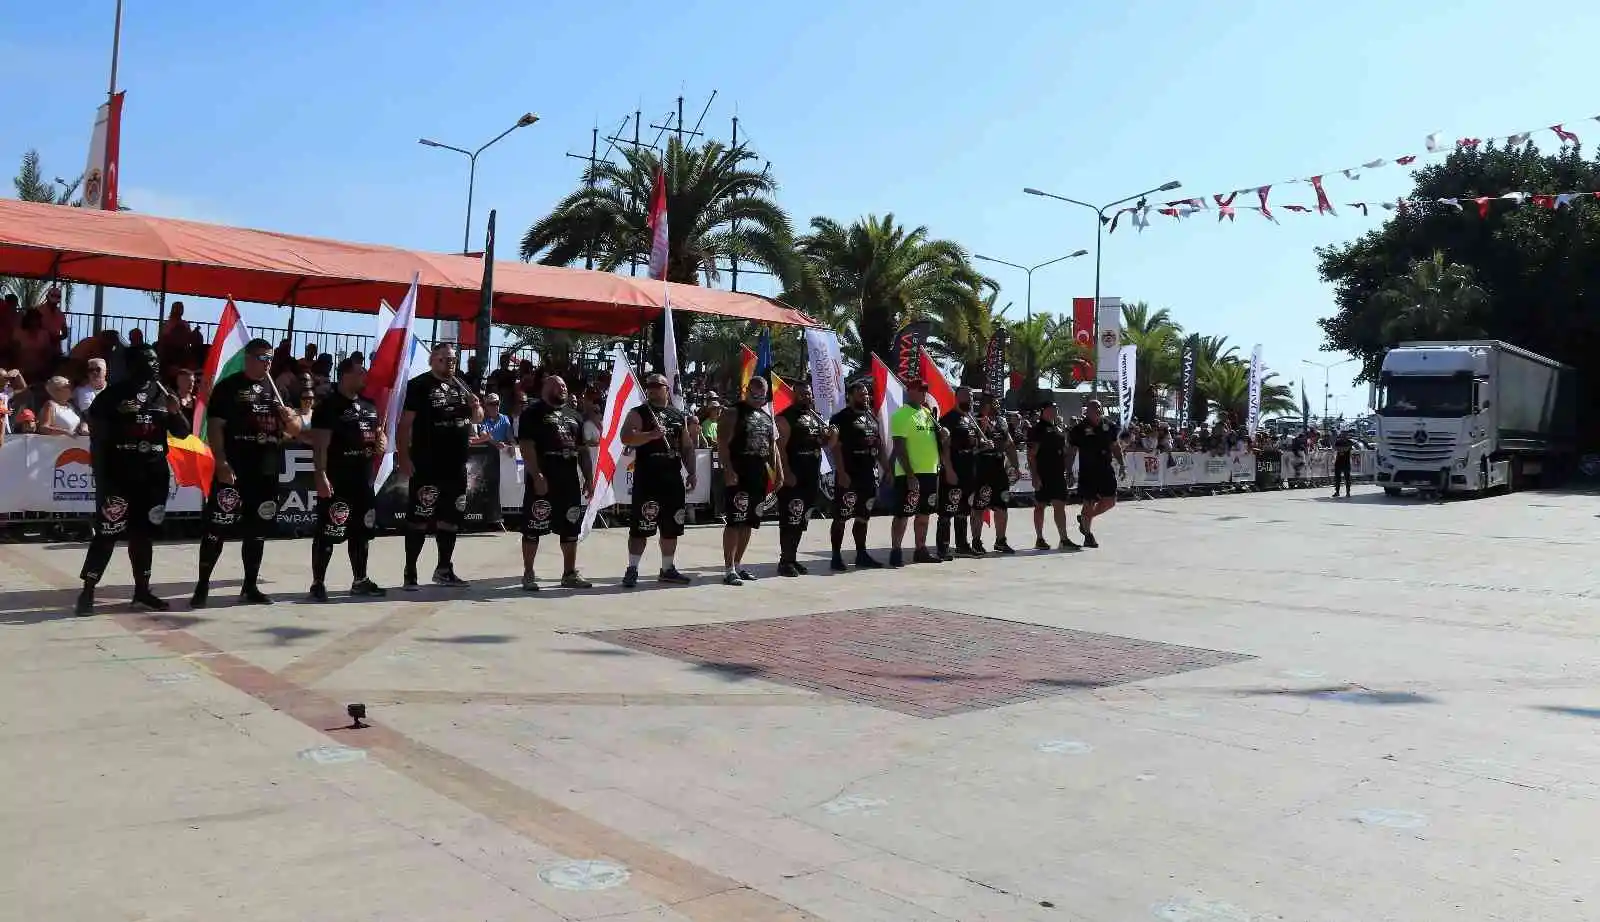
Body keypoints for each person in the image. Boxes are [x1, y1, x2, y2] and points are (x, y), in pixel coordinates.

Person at [74, 345, 190, 615]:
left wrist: (175, 411)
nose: (155, 364)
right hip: (119, 477)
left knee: (143, 535)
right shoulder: (111, 395)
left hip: (153, 477)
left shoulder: (164, 394)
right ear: (133, 363)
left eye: (157, 359)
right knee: (107, 533)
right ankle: (88, 591)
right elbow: (96, 432)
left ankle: (142, 591)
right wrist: (104, 476)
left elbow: (183, 432)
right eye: (149, 359)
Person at [191, 338, 300, 607]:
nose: (267, 363)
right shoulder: (228, 387)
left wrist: (291, 418)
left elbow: (295, 430)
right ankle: (202, 585)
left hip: (266, 470)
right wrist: (221, 462)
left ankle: (250, 586)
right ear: (248, 358)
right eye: (263, 358)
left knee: (257, 530)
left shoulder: (277, 390)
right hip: (235, 468)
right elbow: (215, 426)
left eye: (270, 359)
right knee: (217, 526)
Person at [396, 343, 483, 590]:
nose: (450, 363)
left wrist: (476, 406)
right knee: (419, 518)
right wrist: (404, 456)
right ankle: (410, 570)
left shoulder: (462, 384)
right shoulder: (419, 386)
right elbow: (404, 426)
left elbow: (478, 419)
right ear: (433, 360)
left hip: (456, 464)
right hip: (427, 463)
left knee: (451, 518)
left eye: (453, 359)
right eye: (445, 359)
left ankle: (444, 569)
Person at [305, 356, 386, 601]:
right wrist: (320, 475)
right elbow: (319, 446)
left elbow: (375, 440)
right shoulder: (327, 406)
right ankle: (318, 583)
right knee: (328, 531)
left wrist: (380, 444)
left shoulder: (370, 405)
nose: (365, 377)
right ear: (345, 375)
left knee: (362, 533)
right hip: (337, 480)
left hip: (363, 480)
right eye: (360, 372)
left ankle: (360, 580)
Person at [516, 375, 595, 591]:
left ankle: (569, 573)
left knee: (570, 528)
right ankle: (529, 573)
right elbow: (526, 445)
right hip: (543, 478)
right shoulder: (532, 413)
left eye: (565, 385)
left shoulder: (574, 416)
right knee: (533, 527)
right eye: (558, 385)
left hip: (568, 479)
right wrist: (536, 474)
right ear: (545, 387)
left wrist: (589, 478)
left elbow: (583, 451)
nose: (563, 388)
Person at [619, 373, 696, 587]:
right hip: (648, 478)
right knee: (640, 527)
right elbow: (626, 436)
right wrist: (650, 435)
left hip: (672, 478)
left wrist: (692, 471)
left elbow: (687, 446)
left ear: (666, 389)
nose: (652, 389)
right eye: (649, 386)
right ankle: (632, 569)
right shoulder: (639, 413)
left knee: (672, 527)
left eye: (656, 386)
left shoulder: (677, 415)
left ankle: (667, 568)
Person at [717, 376, 781, 585]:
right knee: (735, 521)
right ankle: (729, 569)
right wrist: (727, 470)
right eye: (755, 394)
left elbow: (773, 447)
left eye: (762, 395)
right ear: (747, 391)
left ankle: (739, 564)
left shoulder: (766, 416)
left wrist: (778, 472)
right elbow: (723, 444)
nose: (758, 398)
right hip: (738, 473)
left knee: (750, 522)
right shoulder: (733, 412)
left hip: (759, 475)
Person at [828, 379, 886, 571]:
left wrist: (887, 469)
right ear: (850, 397)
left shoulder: (872, 418)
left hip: (868, 476)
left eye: (867, 394)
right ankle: (836, 556)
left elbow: (879, 447)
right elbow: (835, 448)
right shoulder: (840, 418)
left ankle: (861, 553)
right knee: (841, 517)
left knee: (863, 517)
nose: (866, 397)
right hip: (848, 476)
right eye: (861, 395)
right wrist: (842, 473)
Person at [774, 379, 827, 577]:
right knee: (790, 519)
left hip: (811, 476)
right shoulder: (786, 418)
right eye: (802, 393)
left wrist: (831, 435)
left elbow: (823, 442)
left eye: (809, 393)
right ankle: (784, 561)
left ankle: (793, 558)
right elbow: (780, 447)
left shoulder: (815, 416)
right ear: (794, 395)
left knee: (801, 520)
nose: (807, 396)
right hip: (793, 477)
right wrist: (786, 472)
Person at [889, 378, 941, 567]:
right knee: (903, 514)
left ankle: (921, 549)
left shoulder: (927, 412)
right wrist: (910, 475)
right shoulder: (902, 415)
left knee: (925, 514)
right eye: (920, 390)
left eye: (925, 390)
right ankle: (896, 551)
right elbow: (899, 448)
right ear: (910, 391)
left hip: (929, 471)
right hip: (909, 473)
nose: (924, 393)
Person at [1064, 399, 1125, 549]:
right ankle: (1088, 535)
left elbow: (1115, 446)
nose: (1098, 409)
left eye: (1099, 407)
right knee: (1088, 503)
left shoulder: (1109, 426)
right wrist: (1069, 471)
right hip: (1088, 472)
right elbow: (1071, 452)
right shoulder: (1078, 429)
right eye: (1094, 407)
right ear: (1087, 411)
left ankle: (1085, 518)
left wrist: (1122, 464)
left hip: (1105, 469)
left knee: (1110, 501)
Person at [969, 393, 1019, 555]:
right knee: (979, 506)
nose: (997, 404)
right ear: (985, 404)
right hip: (982, 467)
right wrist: (981, 434)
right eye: (994, 402)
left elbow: (1009, 444)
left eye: (997, 402)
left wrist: (1015, 466)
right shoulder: (974, 420)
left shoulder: (1001, 421)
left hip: (999, 468)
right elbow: (971, 446)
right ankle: (976, 541)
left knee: (1002, 506)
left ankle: (1001, 540)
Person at [1027, 401, 1079, 550]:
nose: (1054, 411)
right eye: (1050, 409)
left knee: (1060, 506)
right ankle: (1039, 538)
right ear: (1043, 411)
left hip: (1058, 473)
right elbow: (1031, 455)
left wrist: (1068, 471)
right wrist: (1035, 476)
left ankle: (1064, 539)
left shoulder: (1058, 429)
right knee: (1040, 506)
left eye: (1055, 408)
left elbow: (1065, 452)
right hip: (1043, 473)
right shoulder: (1037, 429)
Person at [937, 386, 981, 558]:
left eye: (971, 398)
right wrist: (949, 469)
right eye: (966, 397)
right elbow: (944, 448)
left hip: (968, 472)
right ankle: (943, 547)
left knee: (964, 510)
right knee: (948, 510)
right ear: (956, 398)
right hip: (953, 471)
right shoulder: (948, 419)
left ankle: (962, 545)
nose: (969, 401)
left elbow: (972, 444)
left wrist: (983, 445)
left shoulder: (970, 420)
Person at [1332, 429, 1355, 497]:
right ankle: (1337, 492)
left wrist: (1341, 449)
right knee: (1337, 478)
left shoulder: (1349, 441)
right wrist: (1342, 449)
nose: (1343, 436)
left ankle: (1348, 492)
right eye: (1342, 434)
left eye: (1345, 434)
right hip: (1338, 461)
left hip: (1346, 462)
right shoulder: (1338, 442)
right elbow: (1335, 448)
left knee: (1347, 478)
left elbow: (1347, 448)